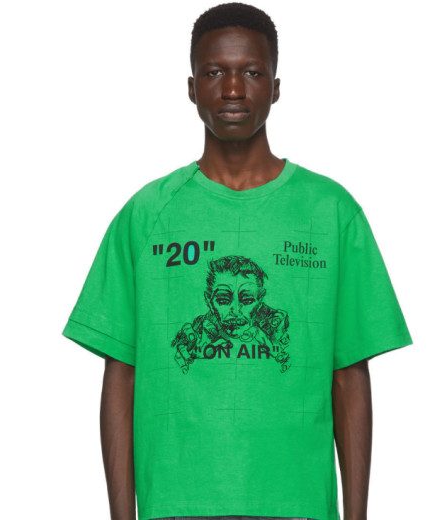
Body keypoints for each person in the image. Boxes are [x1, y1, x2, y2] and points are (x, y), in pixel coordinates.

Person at [61, 3, 413, 520]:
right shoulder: (147, 215)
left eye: (251, 72)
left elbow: (349, 374)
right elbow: (121, 373)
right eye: (214, 72)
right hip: (176, 503)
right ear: (191, 88)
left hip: (297, 502)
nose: (232, 89)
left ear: (275, 87)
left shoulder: (331, 212)